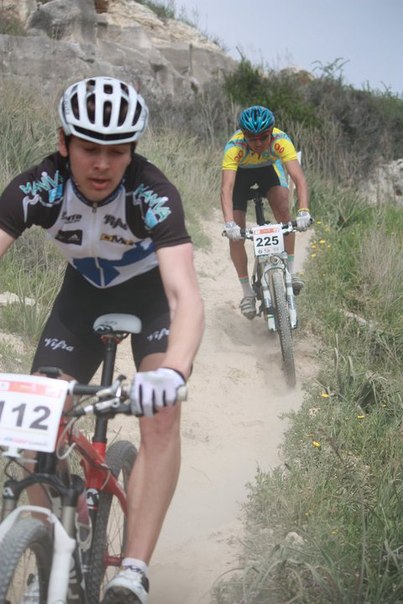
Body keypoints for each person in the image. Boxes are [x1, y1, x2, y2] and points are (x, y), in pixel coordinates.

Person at [0, 76, 204, 603]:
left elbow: (184, 295)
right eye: (89, 148)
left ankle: (133, 569)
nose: (102, 164)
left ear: (132, 152)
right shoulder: (39, 187)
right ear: (63, 143)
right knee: (38, 425)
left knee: (161, 414)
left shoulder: (152, 193)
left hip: (152, 299)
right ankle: (51, 545)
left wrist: (173, 370)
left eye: (117, 152)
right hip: (82, 299)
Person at [221, 104, 311, 319]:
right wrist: (229, 224)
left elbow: (298, 178)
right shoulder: (234, 146)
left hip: (269, 172)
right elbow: (226, 188)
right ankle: (247, 293)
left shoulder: (281, 140)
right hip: (241, 177)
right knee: (236, 233)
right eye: (252, 138)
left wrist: (304, 211)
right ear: (243, 135)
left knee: (284, 211)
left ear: (271, 132)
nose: (259, 143)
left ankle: (289, 272)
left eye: (264, 137)